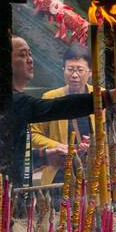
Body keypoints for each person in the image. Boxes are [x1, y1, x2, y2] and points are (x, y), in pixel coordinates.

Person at [0, 35, 116, 188]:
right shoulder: (2, 98)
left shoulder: (7, 96)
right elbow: (55, 107)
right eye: (22, 54)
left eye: (30, 54)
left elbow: (8, 155)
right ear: (0, 63)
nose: (30, 59)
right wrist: (109, 96)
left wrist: (44, 156)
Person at [31, 43, 93, 185]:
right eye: (70, 69)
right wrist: (58, 146)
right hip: (59, 173)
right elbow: (33, 133)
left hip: (93, 173)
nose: (75, 75)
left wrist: (93, 145)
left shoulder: (99, 98)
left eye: (80, 70)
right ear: (63, 70)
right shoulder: (50, 98)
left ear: (89, 72)